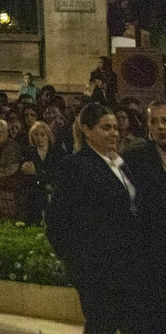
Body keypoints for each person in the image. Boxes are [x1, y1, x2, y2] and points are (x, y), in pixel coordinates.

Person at [47, 103, 153, 334]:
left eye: (115, 127)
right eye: (106, 128)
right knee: (101, 326)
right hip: (99, 273)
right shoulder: (76, 166)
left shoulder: (119, 164)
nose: (114, 133)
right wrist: (81, 268)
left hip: (129, 268)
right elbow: (57, 223)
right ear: (86, 129)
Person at [123, 100, 166, 331]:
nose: (160, 127)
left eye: (165, 121)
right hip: (150, 258)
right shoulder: (135, 158)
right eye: (154, 121)